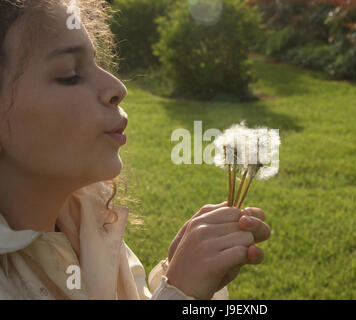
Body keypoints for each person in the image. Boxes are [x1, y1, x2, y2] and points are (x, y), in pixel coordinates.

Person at [0, 0, 271, 300]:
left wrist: (179, 274)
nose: (118, 87)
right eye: (70, 74)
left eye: (97, 63)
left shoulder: (88, 222)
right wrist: (180, 292)